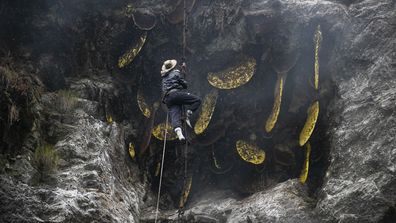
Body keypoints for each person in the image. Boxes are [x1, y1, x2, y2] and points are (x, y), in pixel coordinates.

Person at [161, 59, 201, 141]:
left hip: (168, 99)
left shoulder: (164, 79)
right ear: (173, 67)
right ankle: (188, 113)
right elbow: (185, 85)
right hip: (175, 95)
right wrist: (182, 74)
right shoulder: (176, 73)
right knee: (197, 100)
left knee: (175, 116)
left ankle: (180, 135)